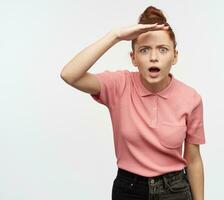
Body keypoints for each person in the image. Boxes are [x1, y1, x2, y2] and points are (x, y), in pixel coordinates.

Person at [60, 5, 205, 200]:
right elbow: (70, 75)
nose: (154, 57)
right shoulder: (119, 85)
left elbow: (193, 160)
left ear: (175, 56)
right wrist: (116, 35)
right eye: (144, 50)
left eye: (163, 50)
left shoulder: (190, 98)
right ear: (133, 57)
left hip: (175, 191)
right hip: (129, 190)